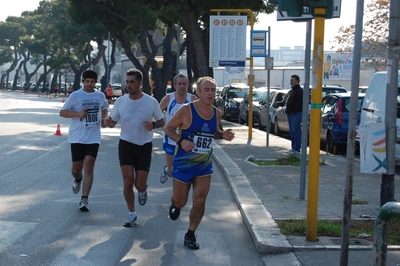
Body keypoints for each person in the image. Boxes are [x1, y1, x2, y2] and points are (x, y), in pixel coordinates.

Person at [163, 76, 235, 250]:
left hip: (204, 165)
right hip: (183, 164)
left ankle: (190, 234)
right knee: (181, 201)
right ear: (198, 92)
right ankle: (175, 203)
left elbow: (215, 133)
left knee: (200, 200)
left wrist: (222, 136)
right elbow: (168, 128)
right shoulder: (186, 110)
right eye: (206, 90)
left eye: (213, 90)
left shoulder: (217, 113)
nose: (210, 93)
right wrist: (181, 141)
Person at [104, 69, 165, 227]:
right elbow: (113, 122)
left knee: (139, 184)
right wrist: (108, 122)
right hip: (126, 144)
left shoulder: (151, 102)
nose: (128, 85)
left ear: (140, 83)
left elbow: (162, 122)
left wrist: (153, 125)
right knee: (127, 180)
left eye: (132, 82)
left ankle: (143, 190)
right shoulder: (121, 101)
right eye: (127, 82)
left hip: (144, 145)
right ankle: (132, 213)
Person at [59, 70, 109, 212]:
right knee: (76, 168)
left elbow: (105, 108)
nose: (89, 84)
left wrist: (104, 119)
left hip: (93, 136)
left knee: (89, 166)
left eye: (92, 81)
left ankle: (84, 199)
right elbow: (62, 112)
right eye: (87, 81)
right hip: (77, 136)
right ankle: (78, 179)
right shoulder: (75, 96)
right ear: (83, 82)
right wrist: (78, 114)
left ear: (95, 82)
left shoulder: (100, 95)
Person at [159, 73, 197, 184]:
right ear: (175, 85)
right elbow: (156, 114)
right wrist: (164, 127)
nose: (182, 86)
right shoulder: (168, 98)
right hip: (170, 138)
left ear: (188, 85)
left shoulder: (193, 99)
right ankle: (166, 170)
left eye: (184, 84)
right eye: (179, 84)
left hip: (187, 139)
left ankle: (179, 194)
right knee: (171, 171)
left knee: (185, 170)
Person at [285, 74, 303, 155]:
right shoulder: (293, 90)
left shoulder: (299, 91)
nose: (291, 82)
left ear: (297, 81)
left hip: (296, 114)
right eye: (290, 80)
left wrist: (293, 111)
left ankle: (296, 149)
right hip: (290, 114)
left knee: (296, 131)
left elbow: (299, 103)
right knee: (292, 131)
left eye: (292, 80)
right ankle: (293, 148)